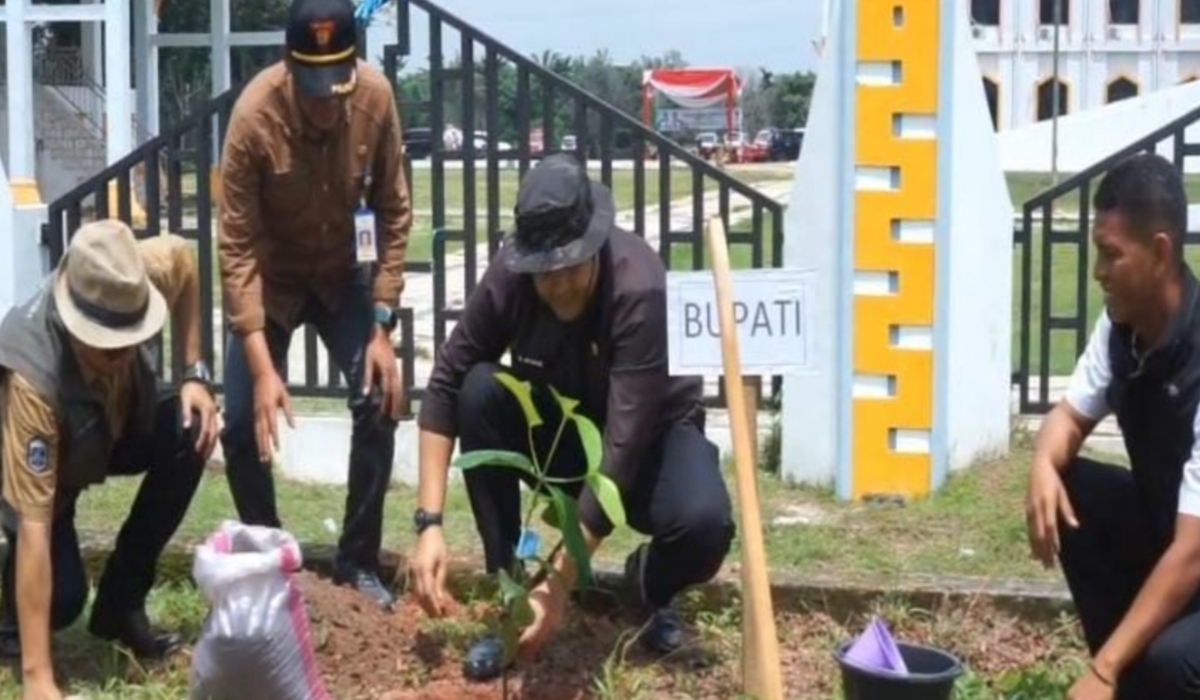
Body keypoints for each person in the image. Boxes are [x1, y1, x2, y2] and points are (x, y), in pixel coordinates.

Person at [408, 153, 736, 681]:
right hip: (564, 434)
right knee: (479, 390)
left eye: (570, 268)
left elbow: (623, 447)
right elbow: (446, 381)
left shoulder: (638, 286)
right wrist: (429, 525)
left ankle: (649, 584)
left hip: (651, 439)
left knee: (704, 525)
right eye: (545, 273)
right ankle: (513, 593)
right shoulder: (510, 278)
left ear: (595, 245)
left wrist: (559, 587)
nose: (557, 285)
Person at [217, 0, 412, 609]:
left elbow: (394, 211)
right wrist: (262, 369)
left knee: (380, 399)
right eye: (312, 88)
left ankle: (358, 561)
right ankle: (274, 562)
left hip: (342, 277)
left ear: (354, 65)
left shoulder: (376, 99)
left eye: (337, 87)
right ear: (288, 63)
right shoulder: (253, 116)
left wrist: (381, 326)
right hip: (272, 281)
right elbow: (236, 249)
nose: (326, 103)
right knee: (240, 425)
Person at [0, 220, 219, 699]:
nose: (124, 354)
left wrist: (195, 374)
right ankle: (13, 623)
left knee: (191, 429)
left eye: (132, 338)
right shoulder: (33, 378)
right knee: (62, 601)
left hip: (114, 424)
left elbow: (183, 261)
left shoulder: (127, 277)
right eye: (109, 347)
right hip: (45, 472)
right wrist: (38, 678)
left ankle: (120, 605)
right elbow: (35, 525)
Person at [1024, 152, 1200, 700]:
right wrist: (1042, 464)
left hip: (1192, 551)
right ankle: (1126, 683)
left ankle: (1116, 675)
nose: (1098, 271)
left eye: (1111, 254)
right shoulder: (1122, 326)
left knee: (1176, 662)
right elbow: (1067, 417)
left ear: (1160, 253)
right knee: (1071, 488)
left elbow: (1193, 552)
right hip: (1174, 534)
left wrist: (1103, 669)